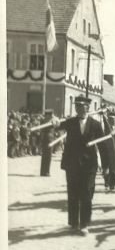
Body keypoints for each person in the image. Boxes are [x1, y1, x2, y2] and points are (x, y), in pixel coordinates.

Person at [51, 95, 104, 235]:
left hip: (89, 165)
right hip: (72, 164)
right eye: (77, 106)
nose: (80, 109)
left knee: (86, 194)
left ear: (88, 108)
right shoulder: (70, 122)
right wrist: (54, 123)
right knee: (73, 194)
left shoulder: (95, 124)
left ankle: (84, 224)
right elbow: (57, 127)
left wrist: (106, 164)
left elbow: (103, 144)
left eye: (83, 106)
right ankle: (73, 223)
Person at [40, 109, 55, 177]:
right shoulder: (48, 121)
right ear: (48, 115)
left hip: (46, 138)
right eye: (51, 114)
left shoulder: (44, 120)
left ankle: (43, 171)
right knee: (48, 156)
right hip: (48, 138)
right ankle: (46, 172)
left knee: (44, 156)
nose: (52, 115)